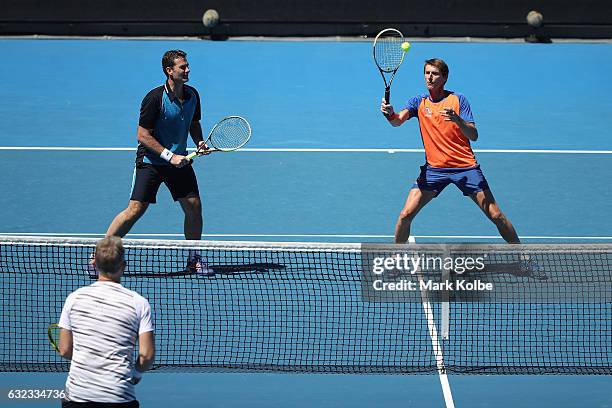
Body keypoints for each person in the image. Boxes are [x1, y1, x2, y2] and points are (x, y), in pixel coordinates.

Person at [380, 58, 520, 244]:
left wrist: (457, 120)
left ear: (444, 78)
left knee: (496, 216)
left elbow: (474, 135)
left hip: (465, 167)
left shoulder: (458, 100)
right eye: (427, 73)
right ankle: (396, 260)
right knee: (405, 215)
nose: (429, 77)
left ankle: (523, 258)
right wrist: (389, 113)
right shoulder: (418, 102)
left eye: (435, 73)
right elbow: (397, 121)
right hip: (434, 170)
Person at [105, 49, 209, 272]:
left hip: (179, 162)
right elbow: (142, 135)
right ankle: (99, 258)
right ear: (169, 71)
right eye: (183, 67)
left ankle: (194, 259)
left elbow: (193, 123)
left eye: (187, 65)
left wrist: (199, 142)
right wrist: (169, 156)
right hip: (152, 161)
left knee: (194, 207)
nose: (188, 70)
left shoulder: (193, 95)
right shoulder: (154, 98)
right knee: (135, 210)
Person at [58, 236, 155, 407]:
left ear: (94, 264)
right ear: (123, 266)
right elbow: (146, 355)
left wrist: (91, 358)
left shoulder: (73, 299)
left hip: (77, 397)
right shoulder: (139, 303)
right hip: (119, 398)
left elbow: (65, 350)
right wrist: (137, 374)